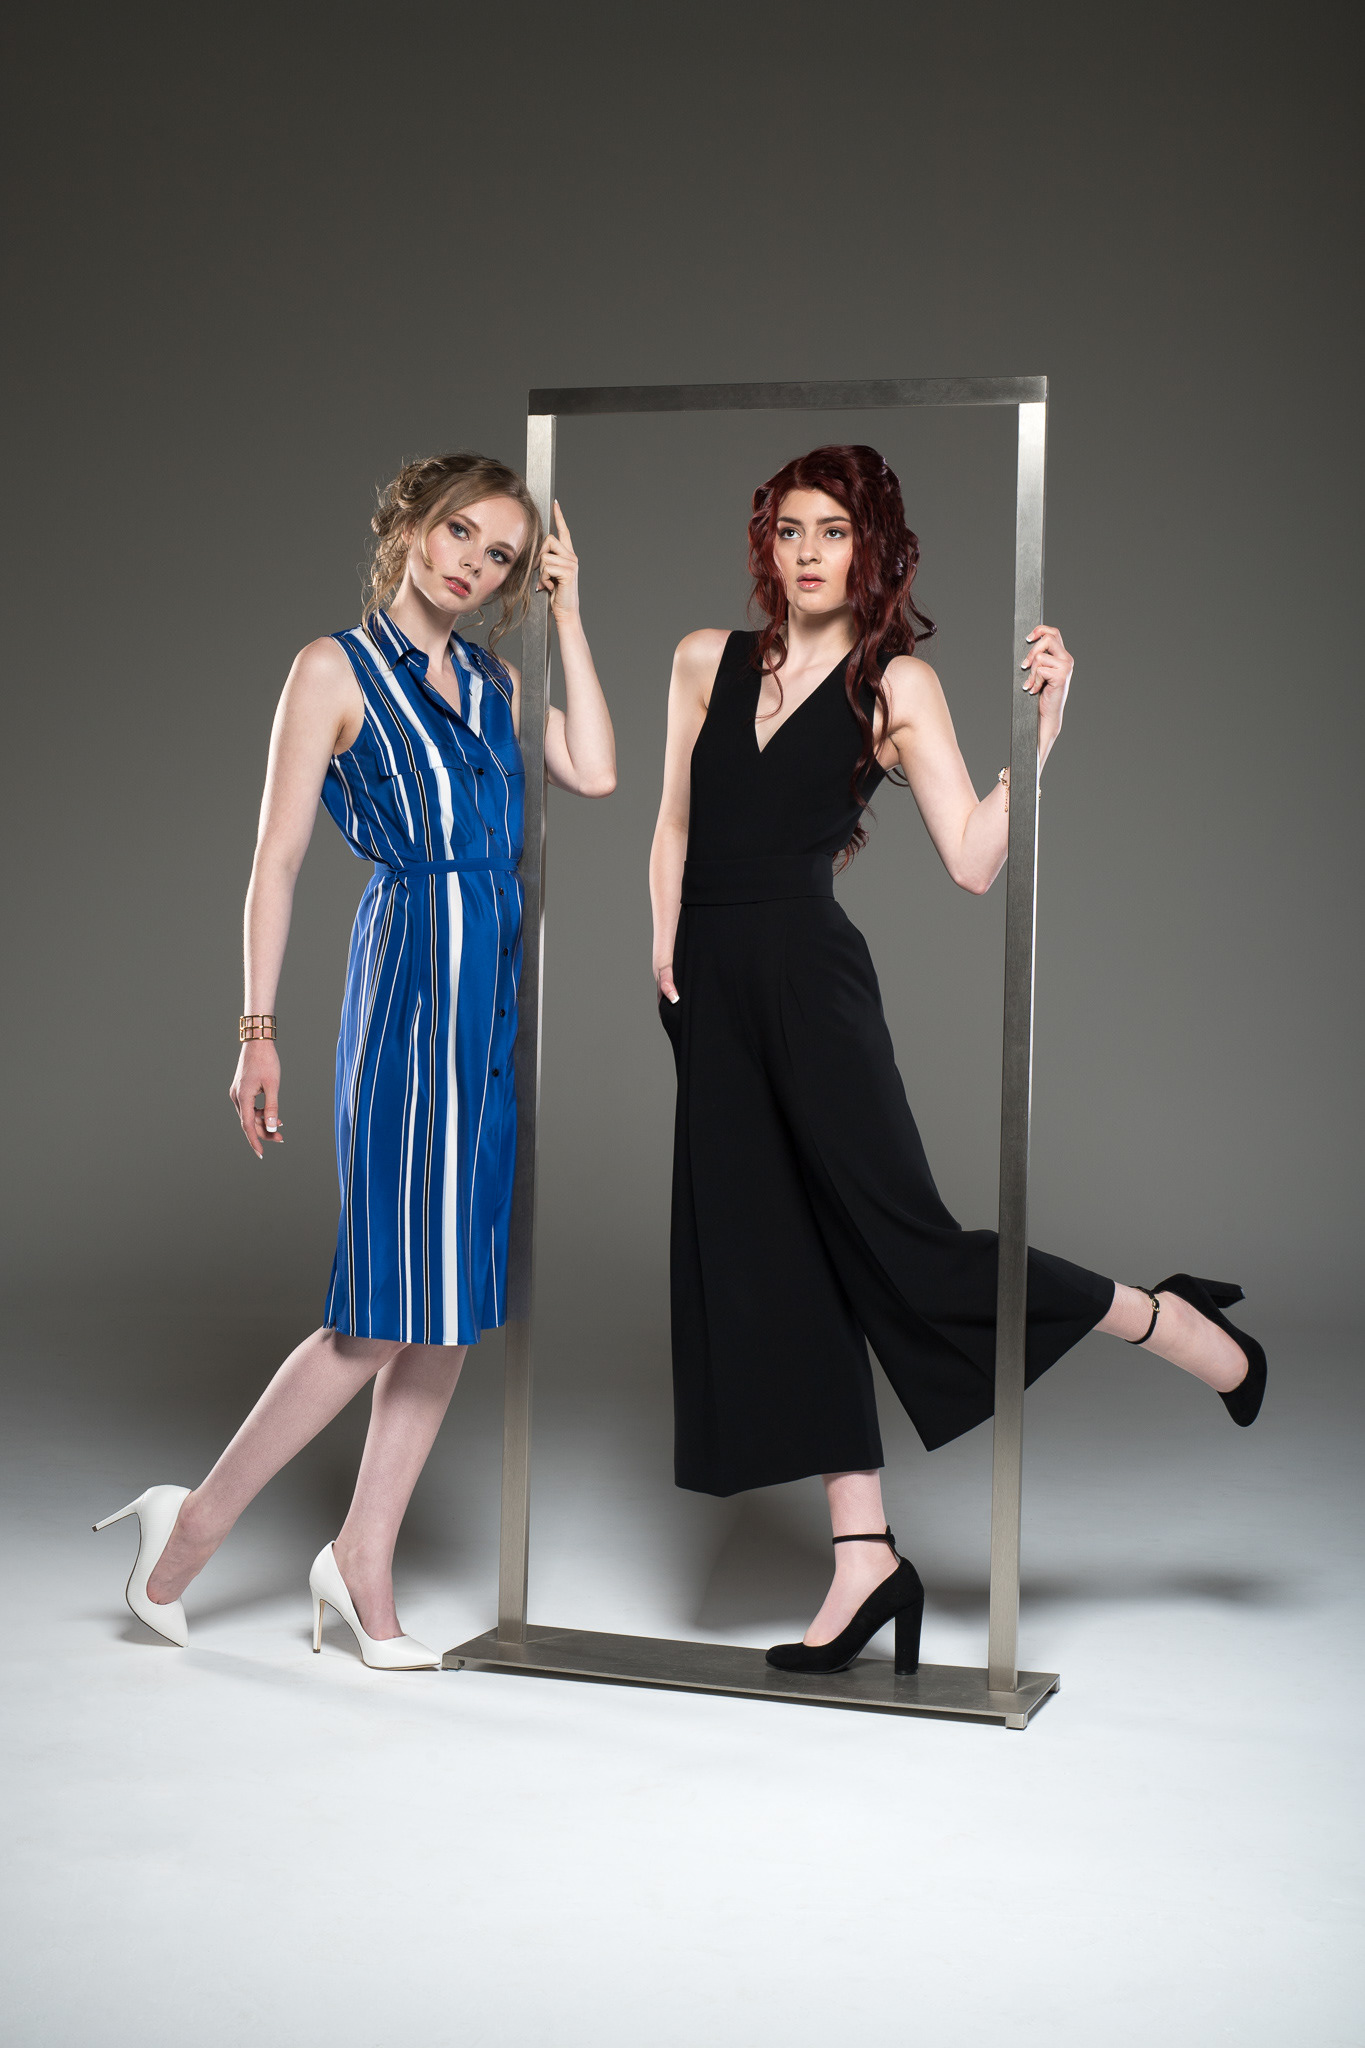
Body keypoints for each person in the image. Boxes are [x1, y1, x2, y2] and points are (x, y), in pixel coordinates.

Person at [648, 443, 1264, 1679]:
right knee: (781, 1268)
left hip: (812, 993)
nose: (809, 553)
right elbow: (673, 819)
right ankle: (863, 1556)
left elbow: (975, 859)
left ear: (870, 549)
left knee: (909, 1247)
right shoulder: (703, 658)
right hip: (706, 994)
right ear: (768, 543)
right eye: (790, 530)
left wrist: (1042, 731)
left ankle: (1164, 1317)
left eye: (834, 532)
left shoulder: (898, 685)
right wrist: (662, 947)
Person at [95, 453, 615, 1668]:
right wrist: (257, 1030)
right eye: (460, 532)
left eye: (500, 554)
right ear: (412, 524)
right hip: (409, 991)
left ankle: (363, 1553)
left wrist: (571, 611)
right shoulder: (331, 669)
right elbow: (275, 860)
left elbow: (593, 769)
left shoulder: (491, 679)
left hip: (491, 1004)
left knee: (453, 1301)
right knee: (383, 1303)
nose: (474, 563)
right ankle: (192, 1526)